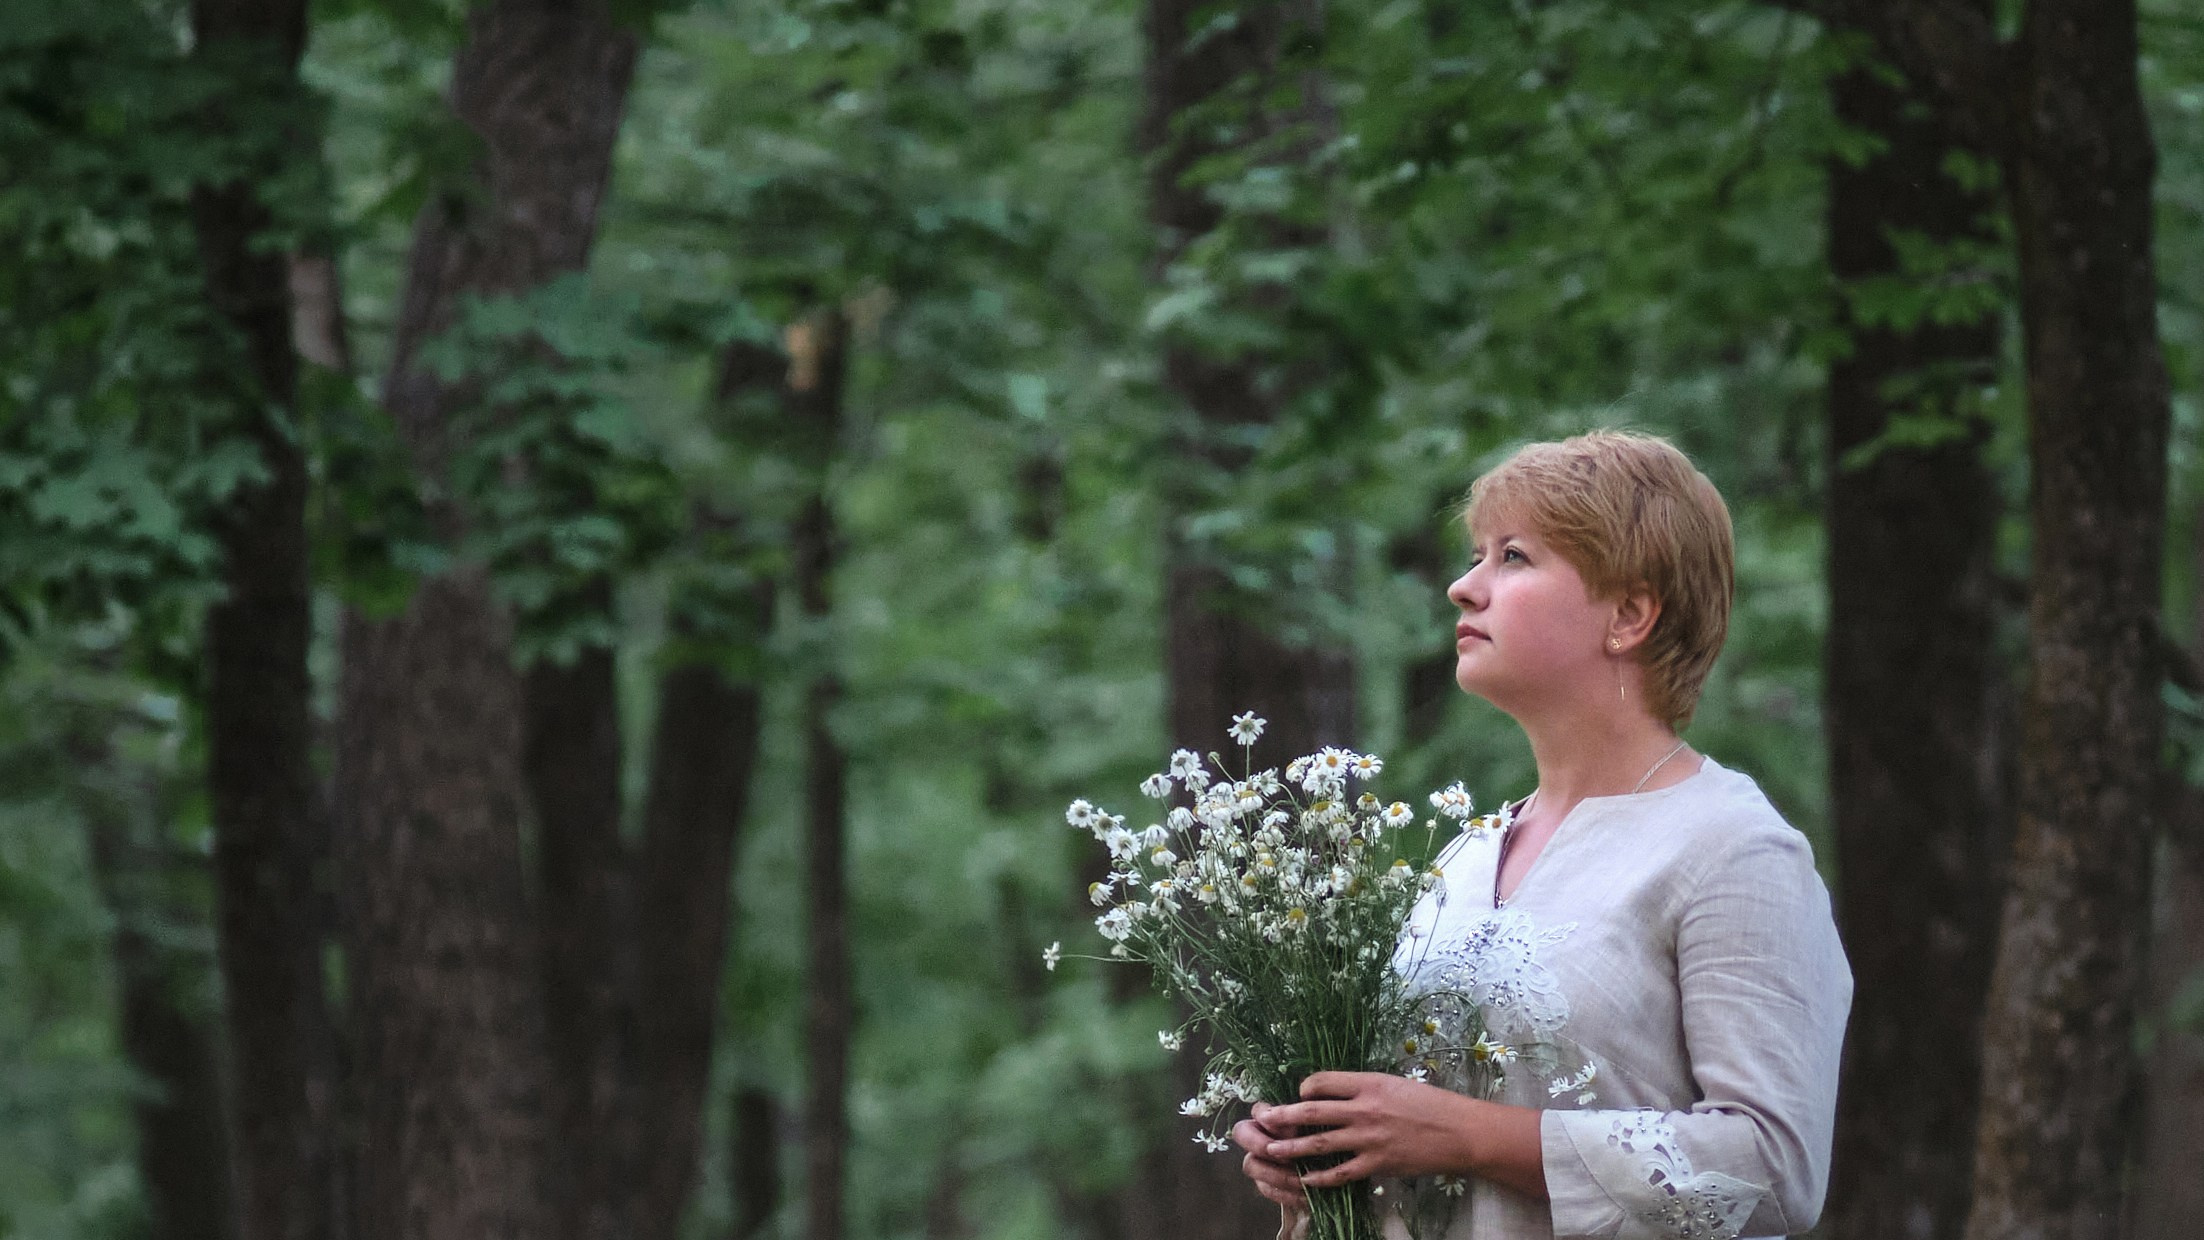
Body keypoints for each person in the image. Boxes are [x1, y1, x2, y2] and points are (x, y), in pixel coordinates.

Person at [1233, 431, 1851, 1240]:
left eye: (1513, 558)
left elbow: (1772, 1169)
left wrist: (1465, 1135)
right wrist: (1324, 1159)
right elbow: (1418, 1149)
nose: (1462, 587)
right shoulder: (1461, 860)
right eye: (1476, 555)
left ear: (1629, 614)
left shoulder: (1734, 850)